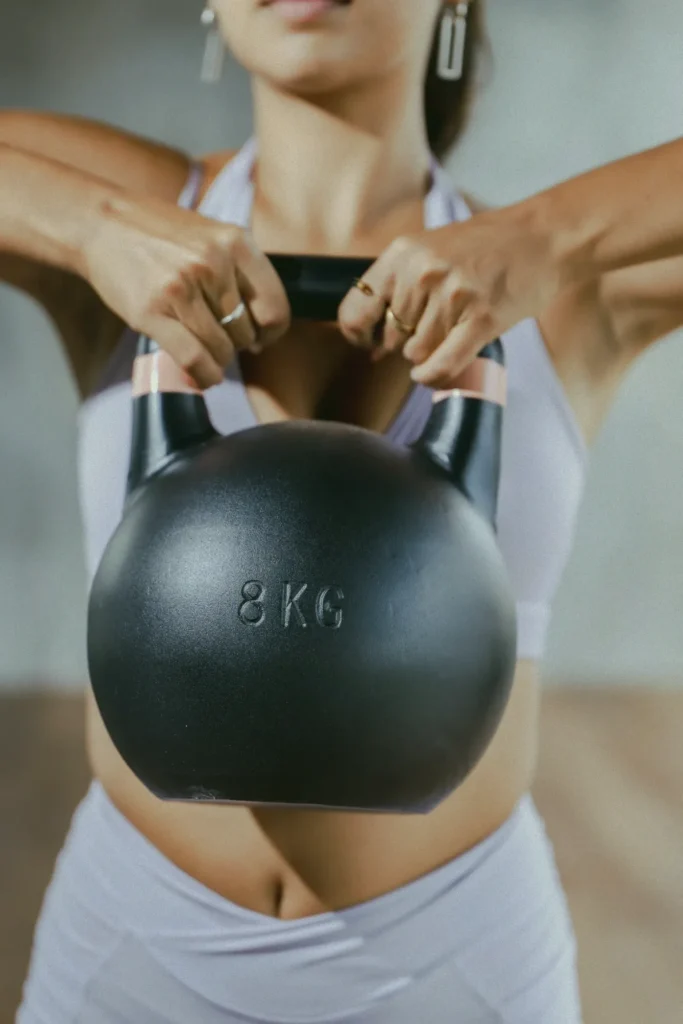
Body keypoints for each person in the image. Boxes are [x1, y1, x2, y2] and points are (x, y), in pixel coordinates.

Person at [2, 2, 682, 1021]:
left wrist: (545, 235)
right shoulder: (124, 218)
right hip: (132, 951)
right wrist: (95, 231)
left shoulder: (568, 282)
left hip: (457, 965)